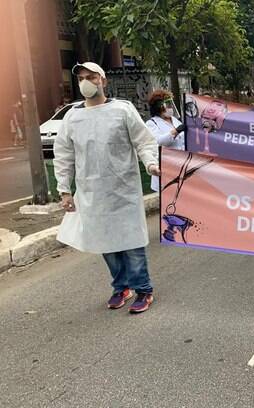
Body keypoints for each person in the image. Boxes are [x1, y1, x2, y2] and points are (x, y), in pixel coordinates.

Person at [54, 62, 159, 313]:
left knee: (131, 242)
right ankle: (121, 286)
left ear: (103, 80)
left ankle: (143, 289)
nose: (86, 82)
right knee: (105, 243)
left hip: (123, 189)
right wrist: (64, 190)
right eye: (81, 78)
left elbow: (143, 141)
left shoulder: (122, 110)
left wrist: (151, 164)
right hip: (91, 192)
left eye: (91, 77)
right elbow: (63, 154)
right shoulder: (73, 117)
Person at [146, 90, 185, 192]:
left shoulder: (175, 120)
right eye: (166, 104)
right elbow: (159, 142)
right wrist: (176, 131)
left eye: (170, 103)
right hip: (165, 169)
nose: (170, 107)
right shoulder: (152, 123)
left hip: (180, 167)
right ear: (159, 106)